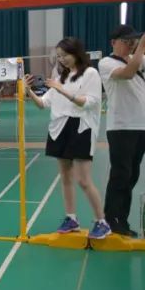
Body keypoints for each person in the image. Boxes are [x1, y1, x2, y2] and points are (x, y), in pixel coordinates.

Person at [24, 38, 110, 239]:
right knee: (65, 177)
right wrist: (27, 90)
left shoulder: (90, 73)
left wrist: (61, 89)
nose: (61, 60)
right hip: (59, 128)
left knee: (83, 180)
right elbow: (43, 104)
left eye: (65, 55)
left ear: (76, 53)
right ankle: (71, 218)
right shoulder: (60, 77)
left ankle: (102, 222)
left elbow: (88, 103)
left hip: (81, 128)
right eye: (59, 57)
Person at [98, 24, 145, 237]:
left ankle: (121, 219)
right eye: (126, 41)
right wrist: (141, 46)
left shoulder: (138, 59)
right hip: (121, 127)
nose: (131, 45)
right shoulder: (106, 63)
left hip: (141, 126)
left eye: (133, 41)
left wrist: (139, 50)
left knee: (132, 175)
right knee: (121, 174)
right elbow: (127, 73)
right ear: (113, 42)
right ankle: (112, 219)